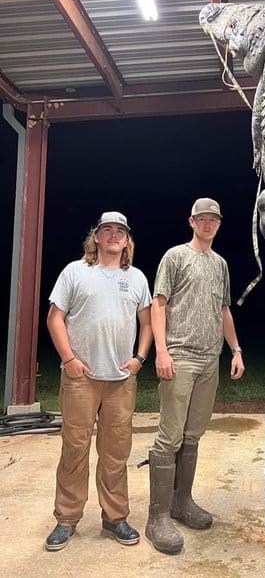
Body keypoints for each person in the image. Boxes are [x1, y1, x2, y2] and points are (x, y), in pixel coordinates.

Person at [45, 211, 153, 551]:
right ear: (96, 238)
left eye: (119, 230)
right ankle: (66, 519)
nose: (113, 235)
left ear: (127, 240)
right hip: (81, 379)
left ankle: (115, 517)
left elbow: (148, 323)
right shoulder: (75, 272)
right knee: (75, 448)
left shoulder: (136, 278)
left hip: (121, 380)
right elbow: (54, 318)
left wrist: (140, 358)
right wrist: (69, 359)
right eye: (106, 229)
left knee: (116, 452)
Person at [146, 197, 245, 554]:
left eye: (213, 219)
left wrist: (235, 350)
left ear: (219, 224)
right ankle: (156, 517)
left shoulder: (220, 264)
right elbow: (160, 303)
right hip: (179, 356)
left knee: (193, 434)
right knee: (169, 435)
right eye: (201, 218)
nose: (207, 224)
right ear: (191, 221)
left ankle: (182, 501)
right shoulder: (175, 257)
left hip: (209, 360)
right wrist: (161, 350)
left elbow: (223, 310)